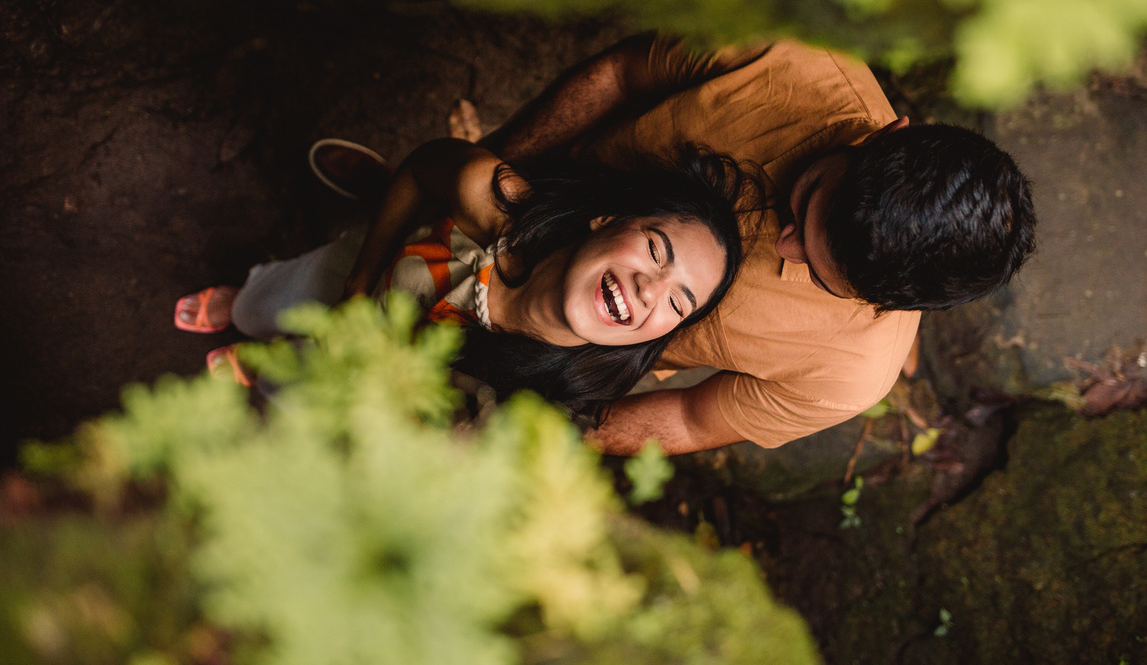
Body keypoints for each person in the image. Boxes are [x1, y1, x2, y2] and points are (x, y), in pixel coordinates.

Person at [314, 33, 1036, 454]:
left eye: (820, 275)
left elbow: (691, 418)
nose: (785, 248)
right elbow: (623, 73)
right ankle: (390, 212)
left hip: (555, 356)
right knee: (387, 248)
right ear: (888, 136)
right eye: (809, 201)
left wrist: (519, 440)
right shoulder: (794, 60)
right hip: (538, 206)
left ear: (894, 306)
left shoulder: (852, 371)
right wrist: (493, 178)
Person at [175, 139, 756, 424]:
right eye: (656, 249)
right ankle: (247, 305)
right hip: (362, 283)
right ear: (607, 219)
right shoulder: (501, 207)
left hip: (370, 384)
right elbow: (423, 167)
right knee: (279, 296)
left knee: (298, 387)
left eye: (678, 302)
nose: (652, 289)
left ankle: (266, 365)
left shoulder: (555, 400)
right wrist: (358, 280)